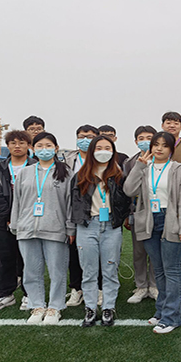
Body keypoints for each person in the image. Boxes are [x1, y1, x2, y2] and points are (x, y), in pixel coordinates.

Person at [123, 132, 181, 334]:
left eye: (164, 145)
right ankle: (161, 311)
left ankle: (172, 317)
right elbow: (129, 190)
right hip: (148, 221)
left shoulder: (179, 169)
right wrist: (139, 166)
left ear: (171, 149)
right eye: (156, 144)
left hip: (171, 219)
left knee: (172, 270)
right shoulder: (144, 168)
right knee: (159, 269)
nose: (159, 148)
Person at [10, 132, 74, 325]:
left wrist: (70, 228)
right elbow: (17, 201)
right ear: (33, 149)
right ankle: (37, 305)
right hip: (27, 228)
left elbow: (70, 203)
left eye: (48, 146)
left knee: (57, 270)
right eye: (39, 146)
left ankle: (55, 307)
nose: (43, 149)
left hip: (55, 229)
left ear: (56, 148)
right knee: (31, 270)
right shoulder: (25, 173)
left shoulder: (66, 172)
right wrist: (16, 225)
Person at [69, 135, 131, 327]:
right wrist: (73, 227)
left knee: (110, 269)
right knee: (89, 271)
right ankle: (90, 307)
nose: (103, 152)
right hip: (87, 226)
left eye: (107, 148)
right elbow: (74, 204)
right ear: (92, 151)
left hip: (111, 227)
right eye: (99, 148)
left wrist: (120, 218)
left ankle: (108, 307)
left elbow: (126, 202)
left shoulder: (119, 176)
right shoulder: (81, 176)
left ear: (113, 152)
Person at [0, 130, 36, 311]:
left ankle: (30, 294)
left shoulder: (36, 166)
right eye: (13, 143)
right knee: (5, 257)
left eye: (22, 143)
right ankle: (5, 294)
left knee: (29, 258)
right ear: (8, 146)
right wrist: (8, 217)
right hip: (4, 222)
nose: (17, 146)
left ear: (28, 145)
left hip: (31, 221)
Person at [64, 124, 100, 307]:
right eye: (81, 136)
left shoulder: (103, 158)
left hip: (96, 213)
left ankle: (98, 289)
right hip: (74, 212)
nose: (85, 140)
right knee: (74, 253)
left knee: (98, 254)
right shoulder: (67, 160)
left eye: (90, 136)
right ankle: (76, 289)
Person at [123, 125, 159, 304]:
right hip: (138, 213)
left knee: (156, 251)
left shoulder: (162, 160)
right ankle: (141, 286)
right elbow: (127, 190)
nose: (145, 141)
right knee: (139, 252)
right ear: (136, 141)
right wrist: (128, 215)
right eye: (141, 138)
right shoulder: (130, 162)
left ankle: (154, 285)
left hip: (158, 211)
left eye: (149, 138)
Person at [161, 111, 181, 274]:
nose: (172, 125)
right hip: (159, 196)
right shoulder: (157, 144)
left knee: (179, 233)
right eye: (168, 122)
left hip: (178, 197)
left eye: (176, 123)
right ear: (162, 125)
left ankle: (180, 267)